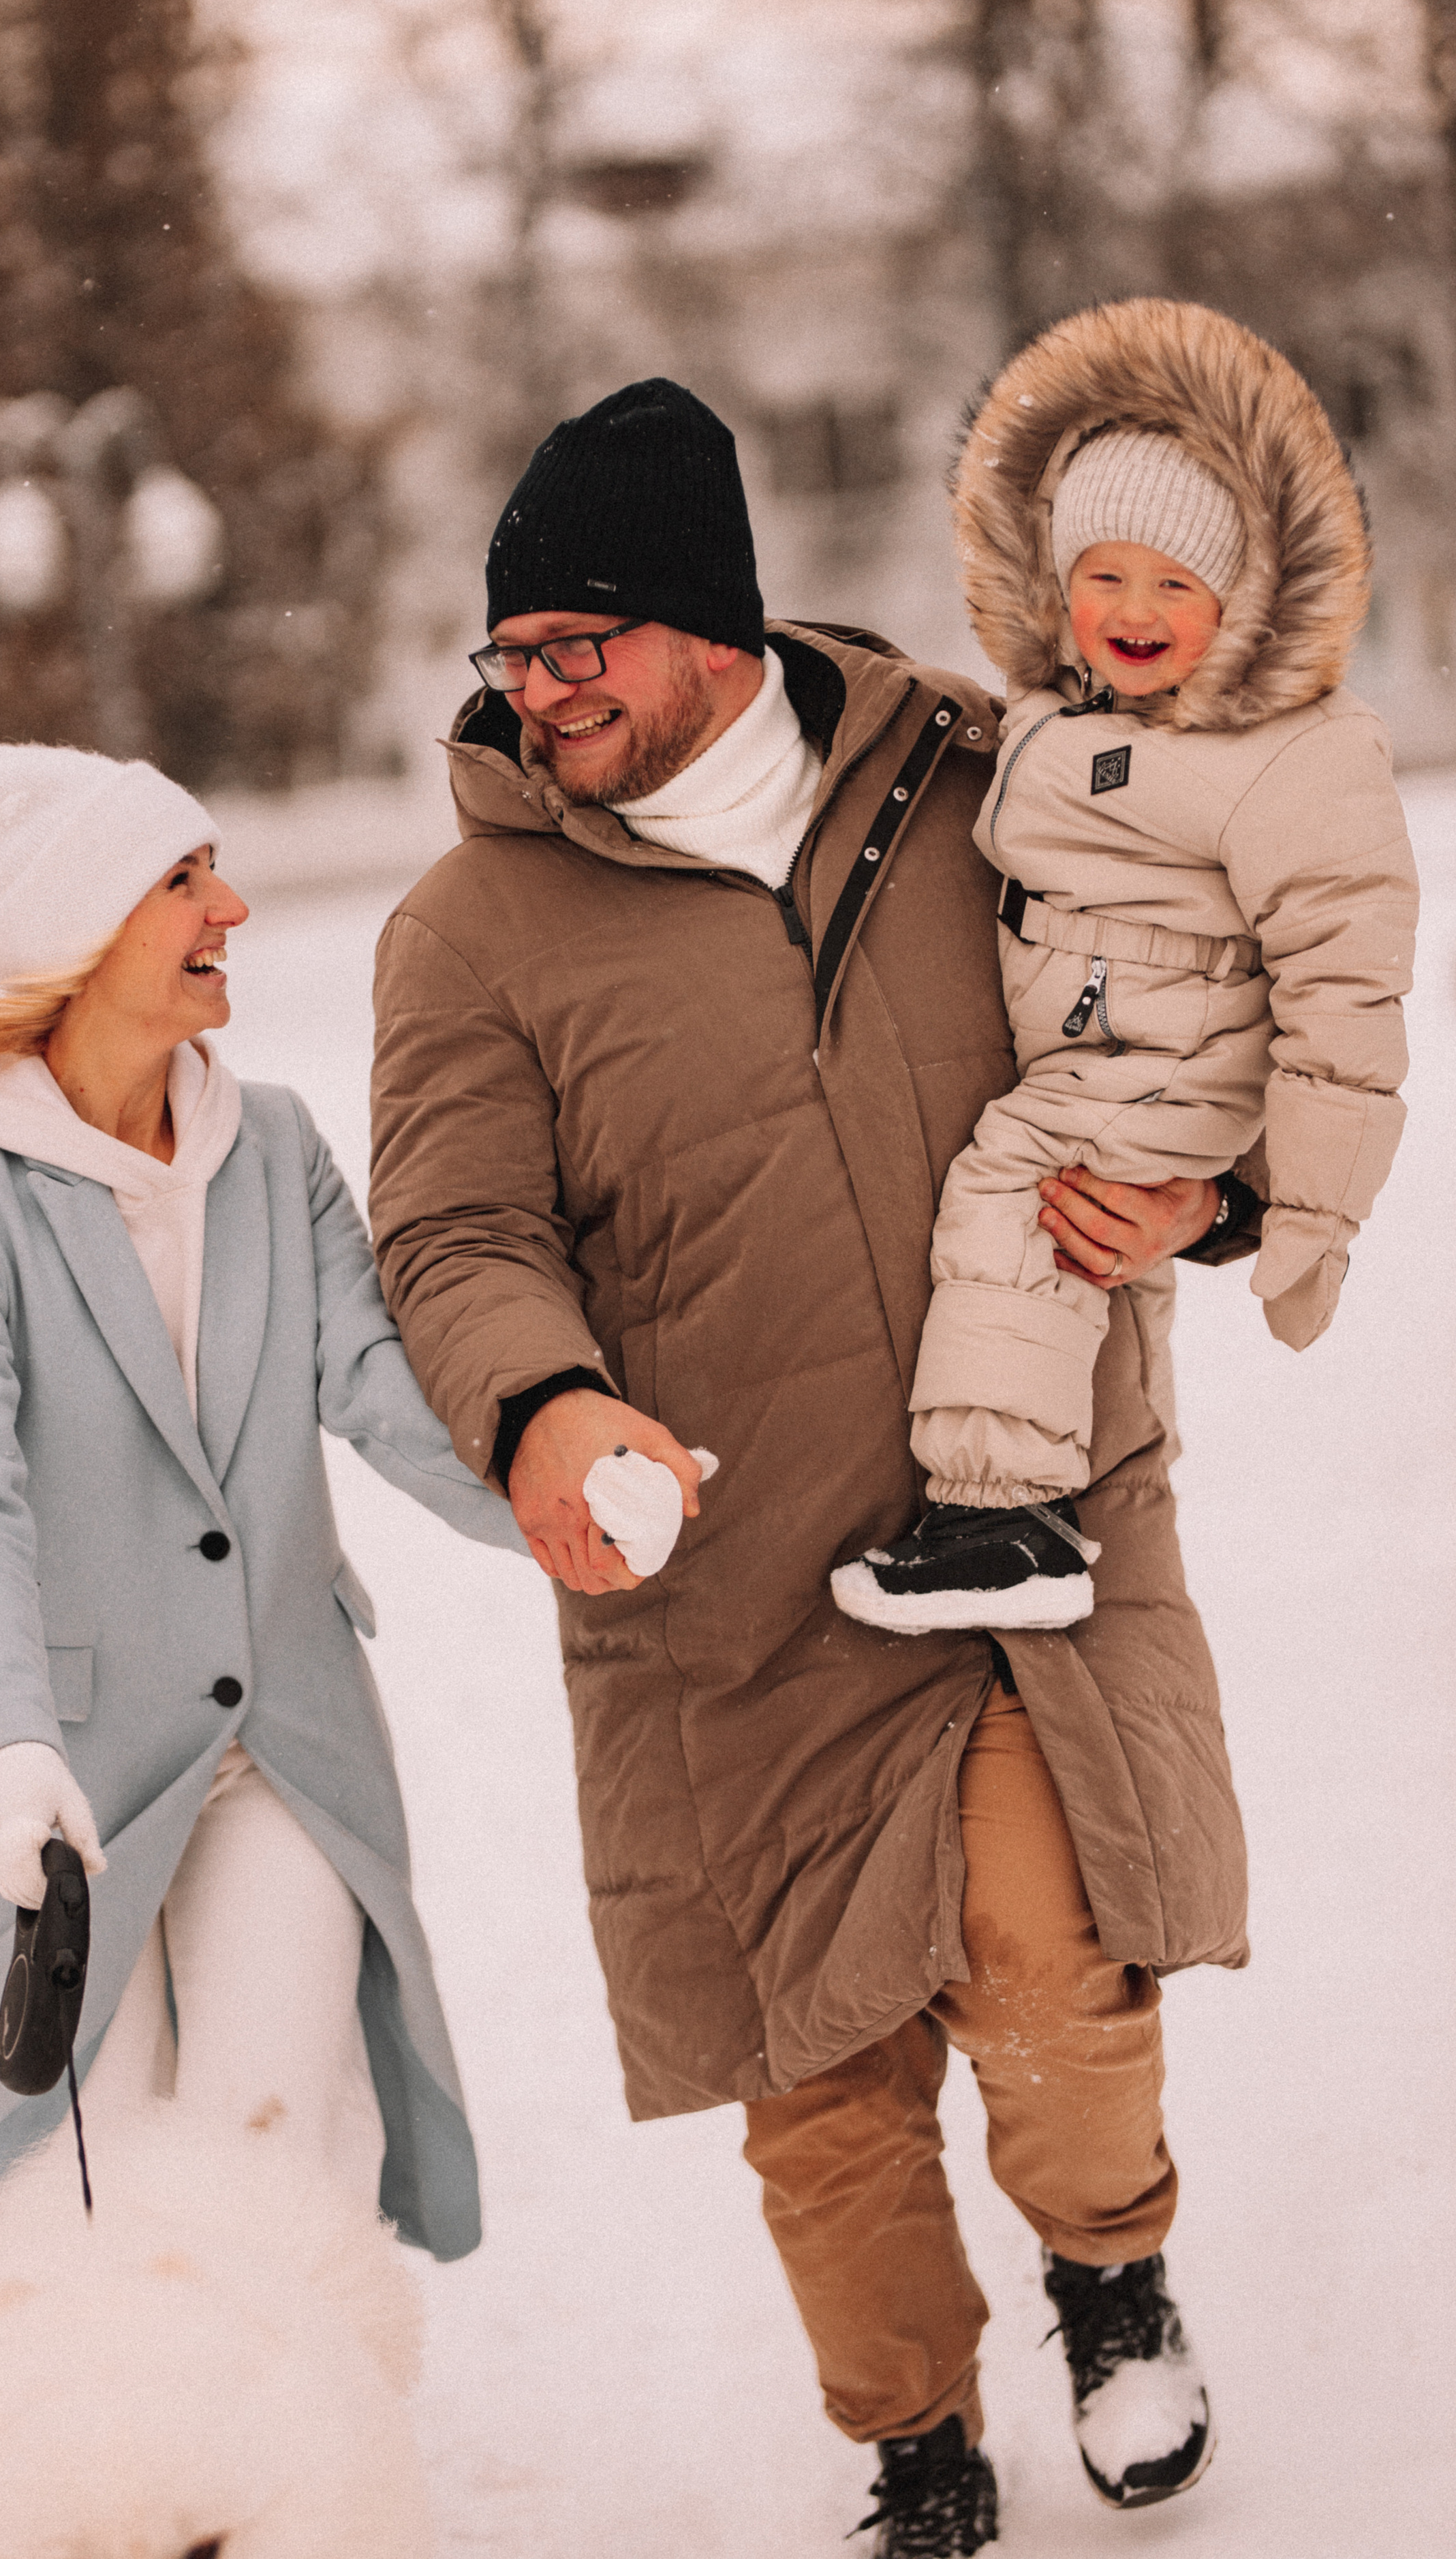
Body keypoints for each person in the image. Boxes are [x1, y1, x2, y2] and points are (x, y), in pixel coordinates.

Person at [369, 376, 1257, 2555]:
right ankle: (917, 2439)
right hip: (727, 1599)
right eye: (513, 655)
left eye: (582, 640)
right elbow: (457, 1230)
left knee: (1053, 1962)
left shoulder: (989, 785)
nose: (540, 689)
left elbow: (1189, 1003)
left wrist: (1212, 1194)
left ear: (712, 622)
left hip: (1029, 1519)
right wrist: (543, 1401)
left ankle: (1112, 2273)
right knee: (824, 2094)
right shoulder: (473, 933)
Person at [0, 740, 525, 2554]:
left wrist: (554, 1493)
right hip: (58, 1774)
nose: (229, 912)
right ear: (79, 935)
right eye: (183, 882)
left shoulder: (266, 1144)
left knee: (275, 2164)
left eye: (216, 871)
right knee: (84, 2194)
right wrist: (4, 1754)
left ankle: (300, 2511)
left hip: (278, 1737)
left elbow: (372, 1380)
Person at [831, 298, 1416, 1634]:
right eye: (1102, 575)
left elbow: (1345, 990)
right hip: (1108, 1038)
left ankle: (1002, 1511)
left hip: (1173, 1057)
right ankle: (1009, 1505)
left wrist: (1308, 1217)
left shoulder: (1293, 751)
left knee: (1012, 1187)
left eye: (1174, 584)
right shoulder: (1051, 717)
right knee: (1025, 1190)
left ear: (1239, 598)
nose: (1132, 610)